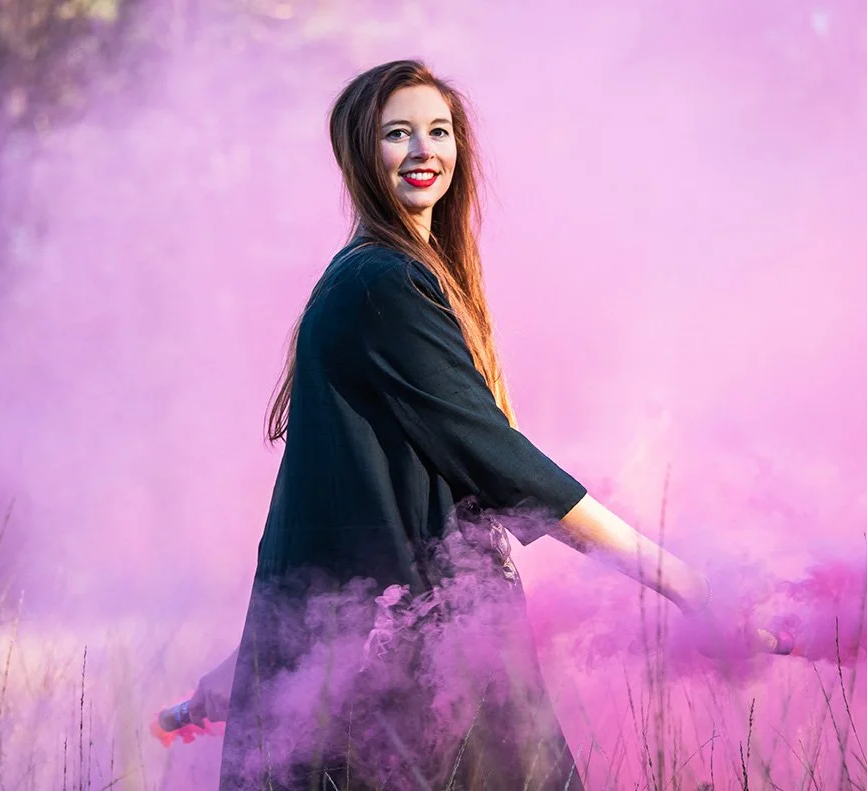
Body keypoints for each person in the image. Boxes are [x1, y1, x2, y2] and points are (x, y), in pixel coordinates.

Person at [208, 59, 790, 791]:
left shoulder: (367, 276)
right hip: (422, 664)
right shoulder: (383, 283)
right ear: (359, 153)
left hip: (399, 652)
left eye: (439, 131)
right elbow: (502, 465)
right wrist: (681, 580)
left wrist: (249, 663)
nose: (424, 151)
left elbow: (330, 503)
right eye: (397, 133)